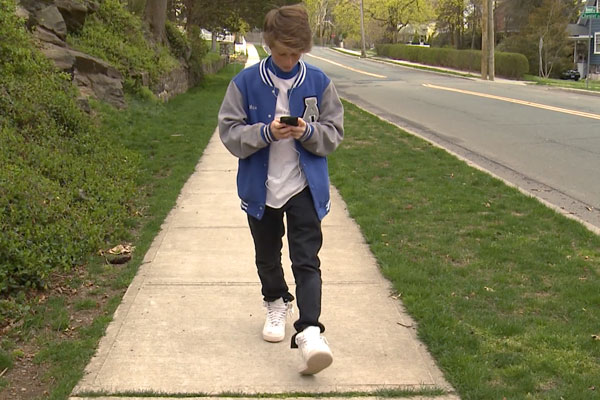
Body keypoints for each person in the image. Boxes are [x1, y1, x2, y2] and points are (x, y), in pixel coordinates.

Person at [217, 4, 344, 375]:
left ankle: (309, 331)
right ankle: (275, 301)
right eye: (282, 52)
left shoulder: (319, 82)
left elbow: (333, 134)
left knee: (307, 259)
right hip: (262, 188)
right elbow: (229, 132)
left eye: (296, 53)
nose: (288, 60)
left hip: (304, 186)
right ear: (269, 44)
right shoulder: (245, 83)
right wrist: (265, 132)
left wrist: (307, 131)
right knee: (267, 255)